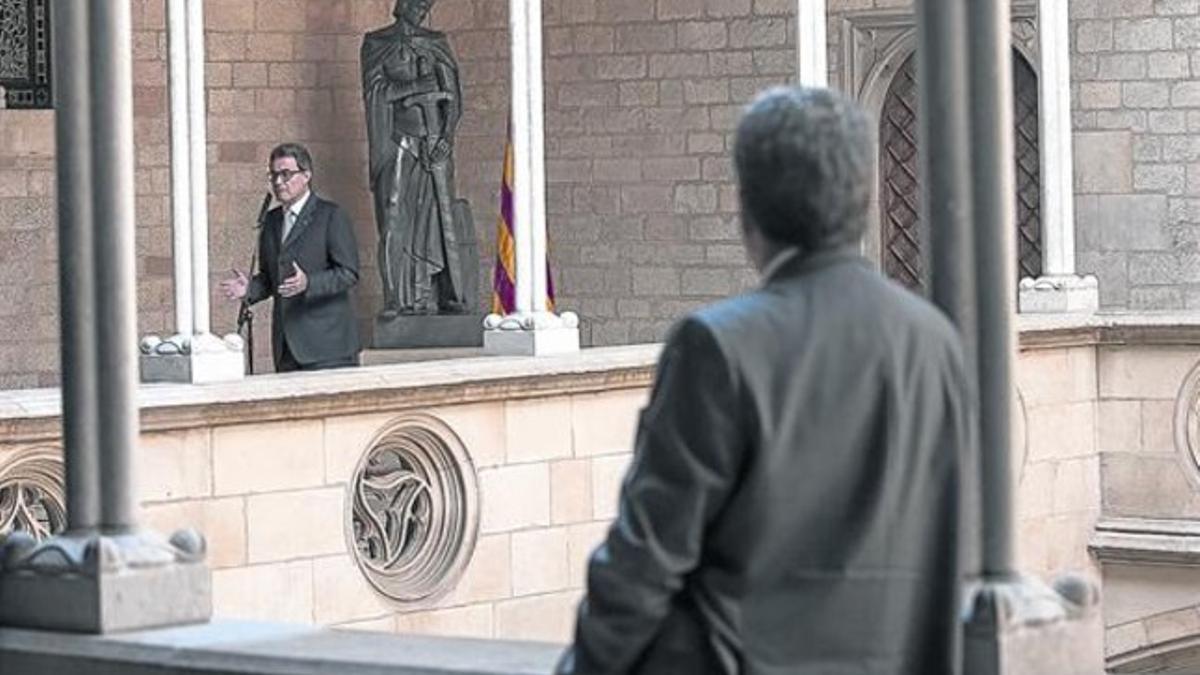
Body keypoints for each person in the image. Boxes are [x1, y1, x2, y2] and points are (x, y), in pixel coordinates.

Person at [557, 87, 975, 675]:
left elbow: (646, 558)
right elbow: (953, 540)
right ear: (863, 196)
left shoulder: (718, 347)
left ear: (748, 207)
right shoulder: (935, 343)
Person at [361, 0, 468, 317]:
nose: (421, 7)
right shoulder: (376, 43)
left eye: (426, 4)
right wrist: (413, 87)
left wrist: (446, 139)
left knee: (432, 219)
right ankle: (395, 296)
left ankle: (432, 295)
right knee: (393, 214)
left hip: (432, 143)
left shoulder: (436, 42)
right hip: (397, 141)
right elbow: (374, 92)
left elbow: (453, 97)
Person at [220, 143, 361, 372]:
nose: (278, 182)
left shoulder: (331, 216)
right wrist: (250, 289)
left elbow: (349, 273)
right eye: (273, 174)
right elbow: (270, 278)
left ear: (306, 175)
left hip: (328, 346)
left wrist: (309, 283)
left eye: (286, 174)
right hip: (286, 345)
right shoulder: (272, 220)